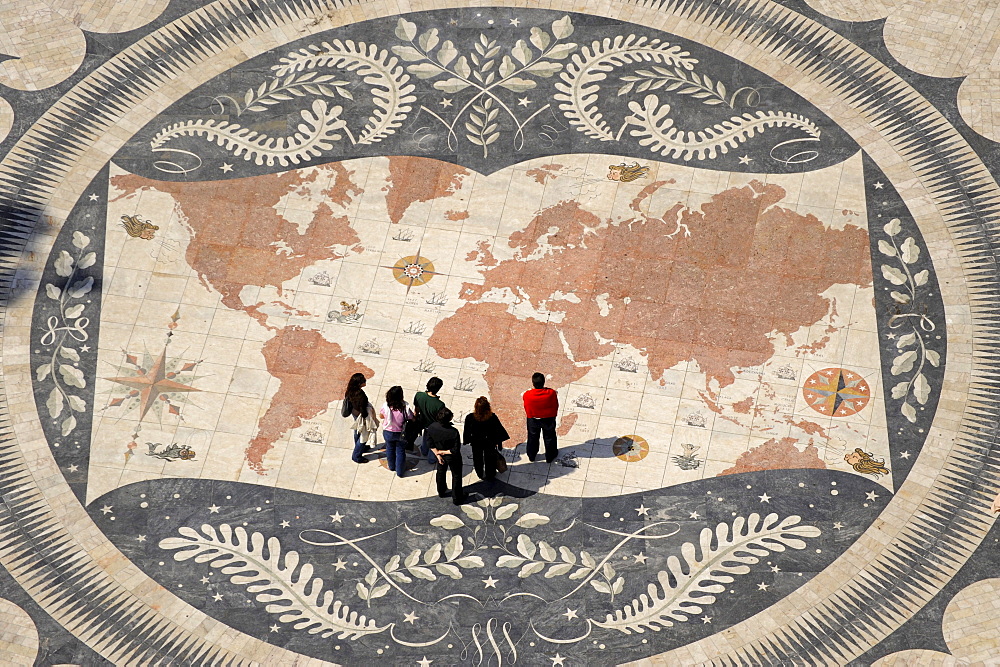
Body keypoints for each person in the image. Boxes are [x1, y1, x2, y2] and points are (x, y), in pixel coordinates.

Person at [464, 396, 510, 481]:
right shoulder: (492, 417)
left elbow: (467, 431)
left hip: (476, 442)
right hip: (489, 442)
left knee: (477, 458)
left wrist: (467, 440)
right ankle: (490, 473)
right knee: (490, 459)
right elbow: (499, 431)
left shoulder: (470, 418)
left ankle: (480, 473)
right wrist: (499, 443)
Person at [425, 408, 464, 504]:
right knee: (456, 475)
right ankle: (457, 498)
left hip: (439, 455)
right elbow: (455, 450)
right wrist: (443, 452)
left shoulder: (432, 427)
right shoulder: (453, 432)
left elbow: (430, 443)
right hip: (452, 457)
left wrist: (438, 454)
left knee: (441, 472)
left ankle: (441, 492)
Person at [522, 372, 559, 463]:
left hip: (533, 419)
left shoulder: (527, 394)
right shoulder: (551, 393)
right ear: (543, 382)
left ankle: (532, 455)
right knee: (549, 437)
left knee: (532, 438)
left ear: (533, 383)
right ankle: (550, 456)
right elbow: (555, 404)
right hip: (548, 419)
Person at [379, 386, 414, 477]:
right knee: (400, 451)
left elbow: (381, 416)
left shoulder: (386, 406)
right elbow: (411, 417)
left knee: (389, 449)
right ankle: (400, 471)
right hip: (401, 433)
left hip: (388, 432)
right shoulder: (405, 407)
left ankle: (391, 466)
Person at [344, 372, 378, 464]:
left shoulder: (350, 391)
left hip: (354, 413)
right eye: (363, 380)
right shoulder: (360, 395)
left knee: (357, 430)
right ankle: (357, 455)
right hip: (361, 415)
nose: (365, 381)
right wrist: (368, 417)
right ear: (359, 384)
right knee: (364, 436)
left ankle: (359, 447)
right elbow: (363, 410)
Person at [413, 377, 446, 465]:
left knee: (425, 437)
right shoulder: (440, 404)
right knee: (433, 442)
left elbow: (416, 411)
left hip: (422, 422)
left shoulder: (419, 395)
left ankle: (424, 450)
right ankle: (431, 459)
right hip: (433, 426)